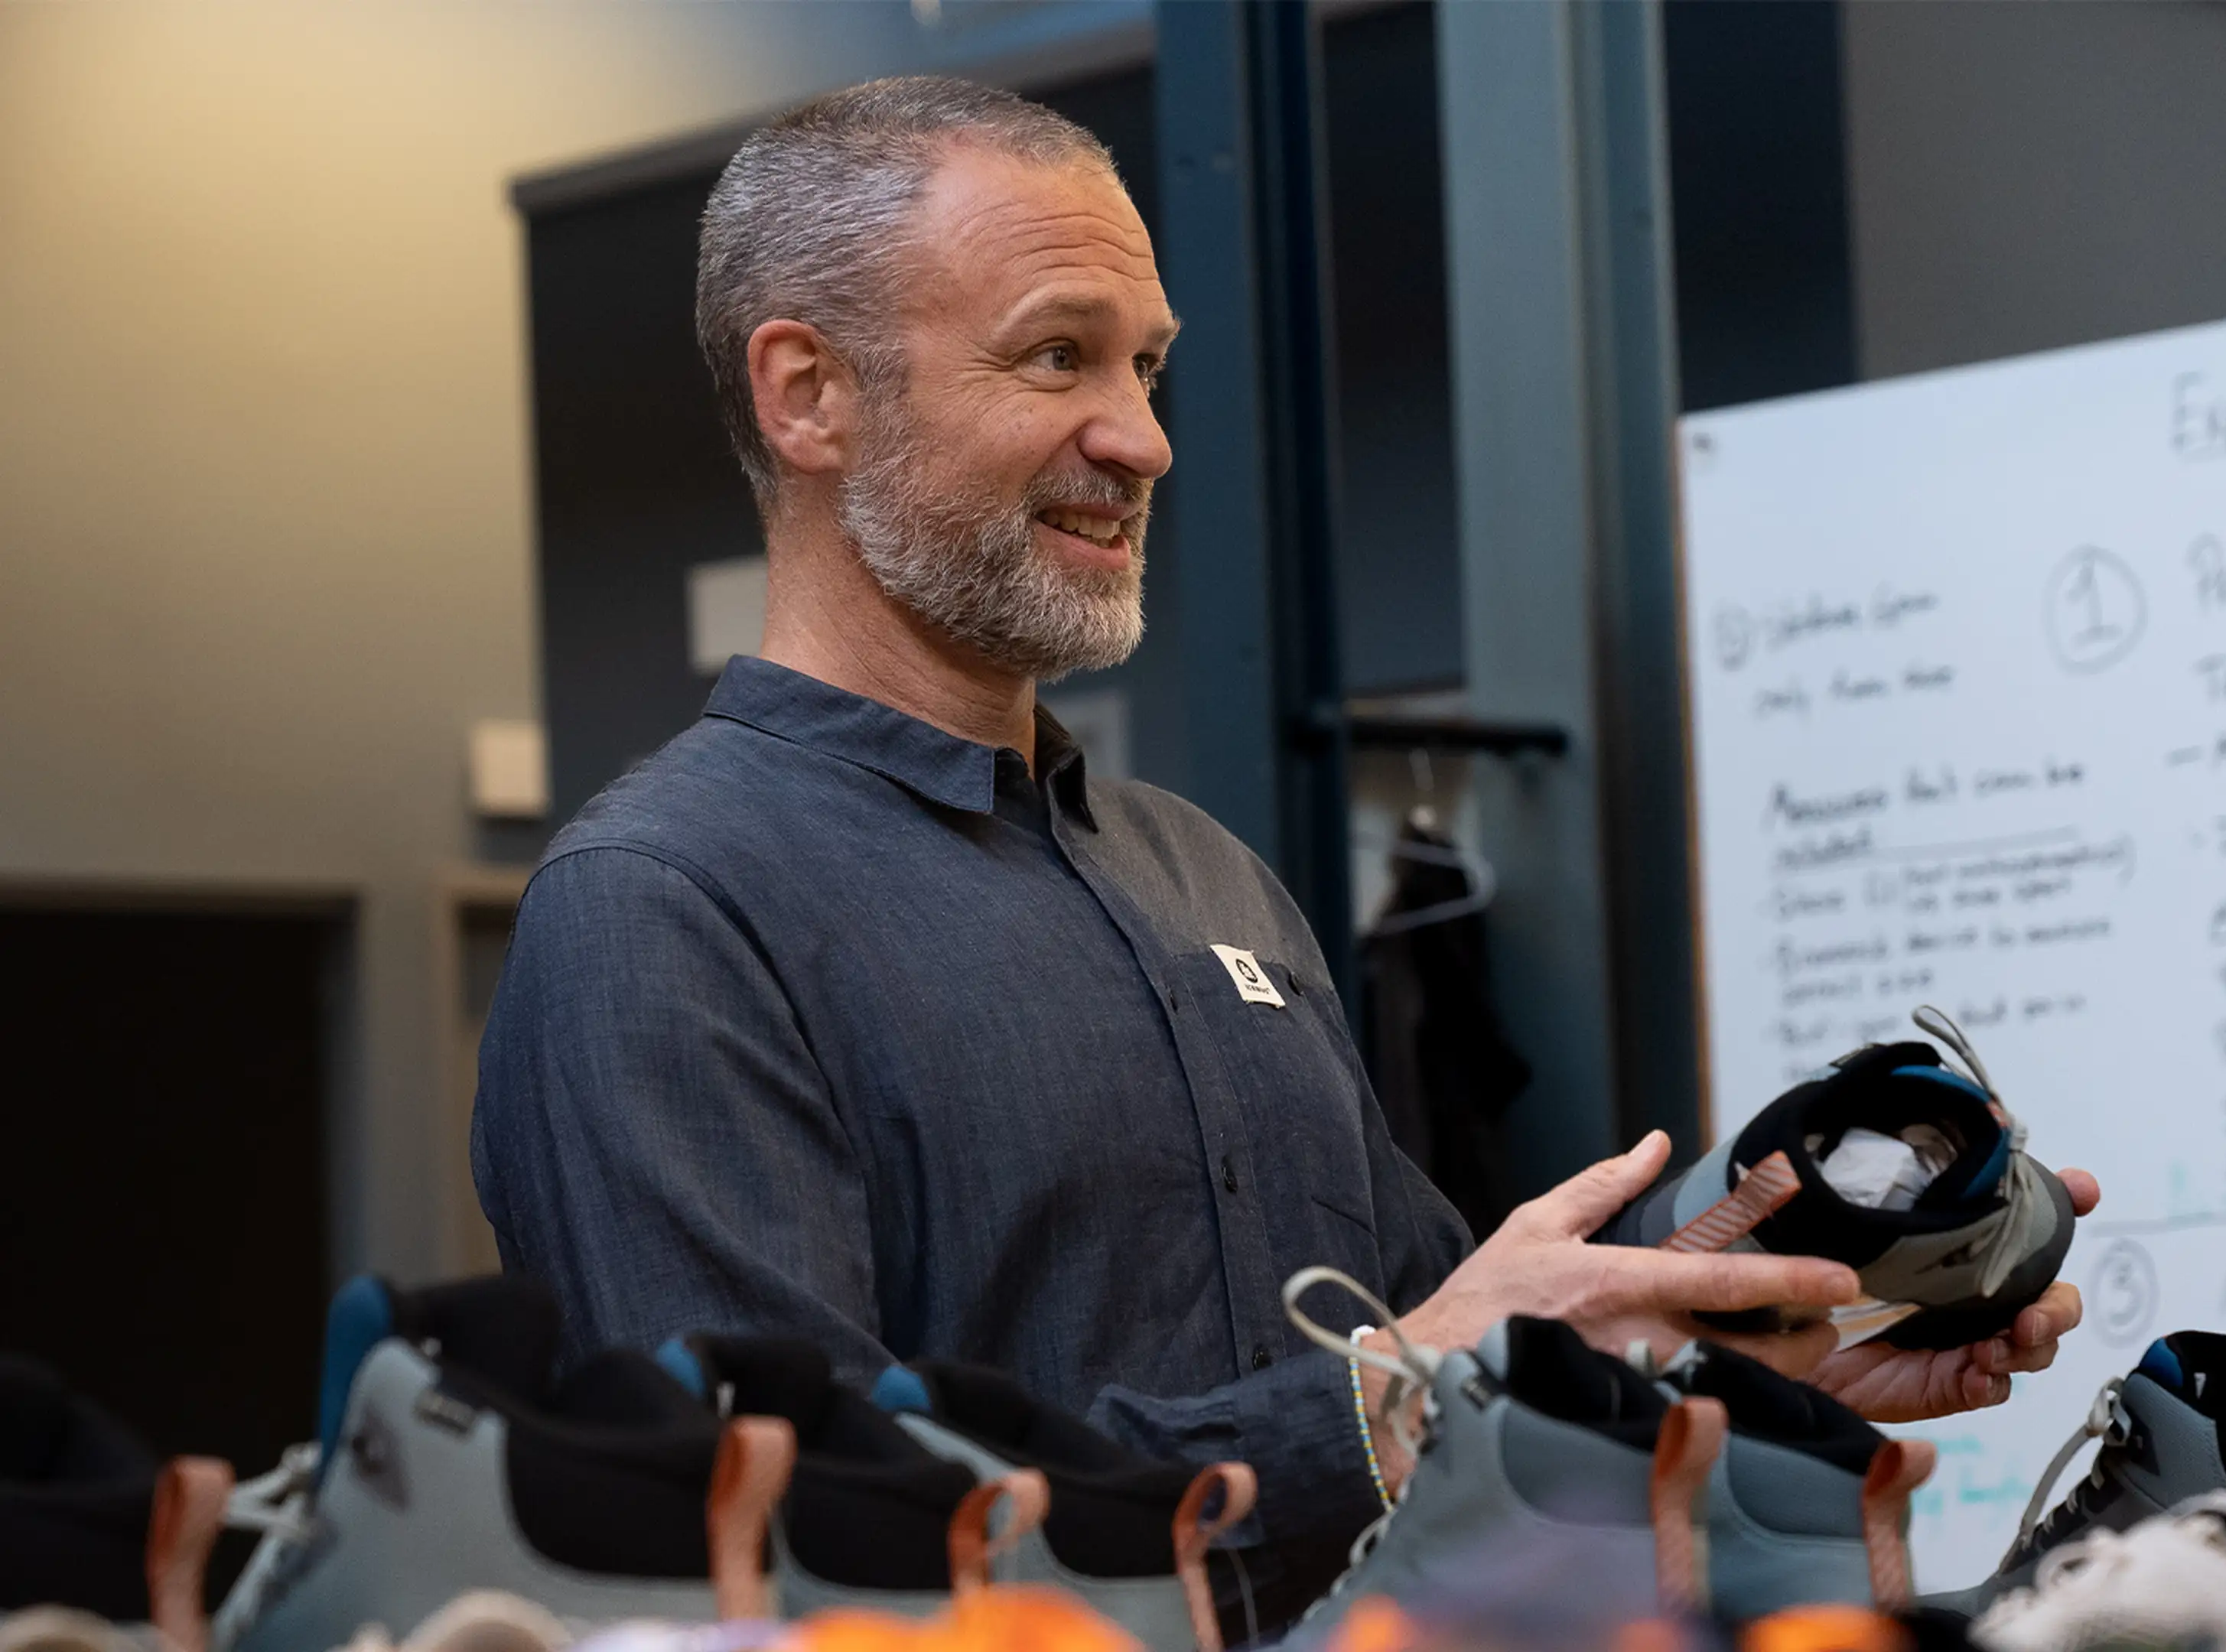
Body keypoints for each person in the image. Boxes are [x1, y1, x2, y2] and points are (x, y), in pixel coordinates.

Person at [470, 76, 2096, 1627]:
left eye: (1148, 369)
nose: (1143, 441)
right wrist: (1387, 1395)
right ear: (808, 393)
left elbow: (1444, 1378)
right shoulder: (660, 912)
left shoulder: (1204, 880)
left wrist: (1737, 1356)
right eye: (1056, 360)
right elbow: (790, 1531)